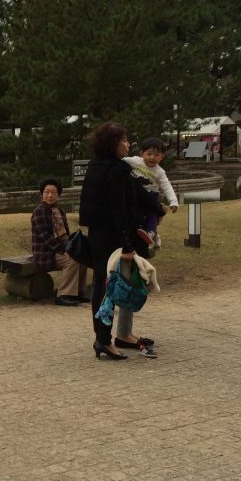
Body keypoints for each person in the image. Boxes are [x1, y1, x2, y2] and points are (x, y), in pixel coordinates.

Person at [79, 122, 156, 360]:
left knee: (103, 286)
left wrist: (157, 208)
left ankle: (114, 336)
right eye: (123, 140)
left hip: (98, 236)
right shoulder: (116, 171)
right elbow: (118, 211)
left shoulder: (96, 166)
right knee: (108, 288)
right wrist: (128, 245)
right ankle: (103, 340)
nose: (127, 144)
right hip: (112, 238)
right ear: (111, 143)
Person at [31, 178, 89, 307]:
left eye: (53, 192)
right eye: (46, 192)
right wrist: (66, 250)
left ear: (58, 195)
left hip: (59, 249)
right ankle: (63, 295)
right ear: (42, 195)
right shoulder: (39, 212)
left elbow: (65, 235)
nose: (50, 195)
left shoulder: (60, 211)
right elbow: (47, 239)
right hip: (45, 253)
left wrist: (72, 247)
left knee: (81, 255)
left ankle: (79, 291)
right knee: (72, 260)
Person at [124, 137, 178, 249]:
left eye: (157, 155)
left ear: (162, 156)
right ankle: (154, 236)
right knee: (137, 216)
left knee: (151, 215)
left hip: (151, 197)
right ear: (141, 154)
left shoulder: (160, 172)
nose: (152, 158)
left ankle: (151, 233)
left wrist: (173, 201)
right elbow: (121, 160)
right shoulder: (135, 161)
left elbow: (167, 186)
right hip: (136, 194)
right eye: (149, 154)